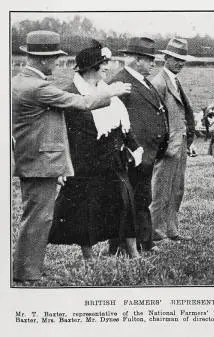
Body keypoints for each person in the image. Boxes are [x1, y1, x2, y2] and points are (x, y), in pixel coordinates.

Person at [12, 31, 131, 282]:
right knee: (38, 218)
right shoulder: (38, 87)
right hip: (40, 162)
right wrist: (113, 91)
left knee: (37, 216)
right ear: (44, 60)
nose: (57, 63)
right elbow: (82, 103)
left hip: (33, 160)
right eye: (55, 58)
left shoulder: (19, 82)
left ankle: (29, 269)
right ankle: (27, 273)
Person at [48, 40, 143, 259]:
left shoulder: (107, 91)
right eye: (104, 64)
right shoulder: (71, 94)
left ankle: (133, 253)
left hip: (114, 161)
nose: (108, 68)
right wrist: (61, 166)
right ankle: (89, 257)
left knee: (126, 203)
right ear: (91, 67)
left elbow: (122, 125)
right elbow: (60, 134)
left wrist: (134, 147)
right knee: (85, 211)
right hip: (85, 165)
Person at [106, 37, 169, 254]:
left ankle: (144, 242)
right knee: (126, 201)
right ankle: (120, 246)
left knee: (142, 198)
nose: (153, 63)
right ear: (137, 60)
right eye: (149, 59)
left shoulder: (143, 81)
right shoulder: (119, 83)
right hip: (131, 154)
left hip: (146, 153)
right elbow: (112, 119)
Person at [148, 38, 196, 242]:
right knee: (161, 190)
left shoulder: (175, 81)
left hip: (180, 143)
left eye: (182, 60)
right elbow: (154, 118)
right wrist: (162, 144)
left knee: (176, 189)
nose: (180, 64)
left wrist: (187, 141)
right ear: (165, 58)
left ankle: (171, 230)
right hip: (167, 146)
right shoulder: (159, 83)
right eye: (176, 59)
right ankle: (156, 233)